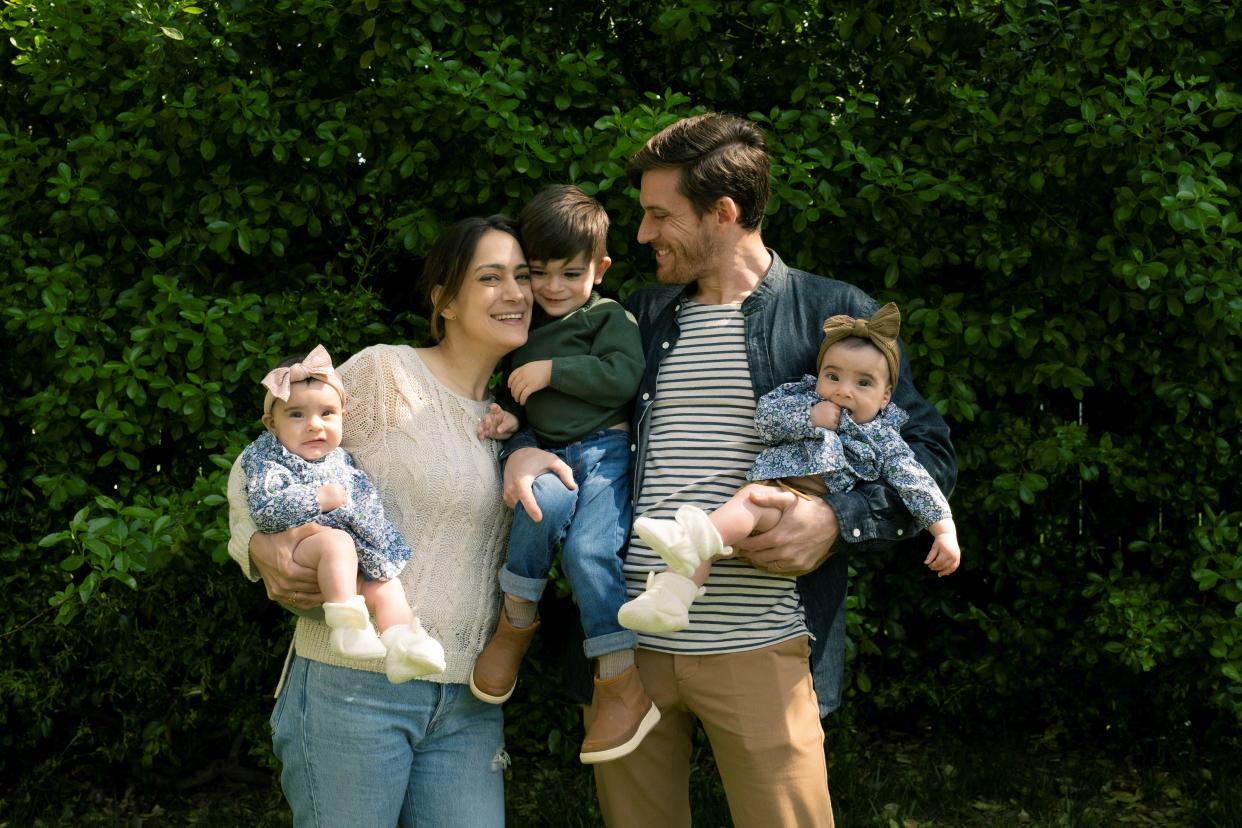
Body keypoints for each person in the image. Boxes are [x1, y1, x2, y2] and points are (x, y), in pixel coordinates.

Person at [501, 113, 957, 827]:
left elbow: (926, 451)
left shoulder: (832, 316)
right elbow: (560, 405)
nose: (643, 234)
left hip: (760, 643)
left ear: (724, 213)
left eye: (658, 215)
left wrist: (835, 519)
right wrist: (523, 445)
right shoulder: (636, 316)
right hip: (627, 644)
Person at [227, 215, 533, 827]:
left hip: (467, 698)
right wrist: (254, 545)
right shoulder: (386, 374)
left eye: (523, 277)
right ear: (443, 300)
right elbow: (256, 463)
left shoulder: (516, 413)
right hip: (352, 687)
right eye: (491, 277)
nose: (516, 293)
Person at [618, 303, 961, 633]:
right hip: (776, 492)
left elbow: (917, 482)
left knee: (749, 500)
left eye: (863, 383)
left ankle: (686, 539)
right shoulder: (803, 398)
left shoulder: (884, 437)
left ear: (886, 397)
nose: (843, 391)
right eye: (833, 376)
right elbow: (766, 420)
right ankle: (668, 600)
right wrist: (810, 417)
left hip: (805, 509)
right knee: (716, 537)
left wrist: (943, 530)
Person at [468, 185, 658, 764]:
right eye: (540, 273)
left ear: (598, 270)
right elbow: (520, 399)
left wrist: (555, 369)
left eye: (569, 273)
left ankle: (619, 675)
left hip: (604, 454)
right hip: (548, 453)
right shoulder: (523, 328)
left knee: (588, 552)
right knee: (534, 507)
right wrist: (508, 419)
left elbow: (625, 376)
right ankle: (516, 620)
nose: (552, 288)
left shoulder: (607, 317)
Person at [240, 344, 446, 680]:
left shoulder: (341, 459)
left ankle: (403, 647)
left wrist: (379, 549)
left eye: (326, 414)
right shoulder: (267, 457)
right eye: (296, 414)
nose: (314, 425)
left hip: (350, 558)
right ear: (271, 424)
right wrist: (316, 498)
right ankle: (347, 628)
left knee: (386, 586)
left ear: (342, 417)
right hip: (304, 546)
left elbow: (366, 507)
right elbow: (265, 510)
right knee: (335, 543)